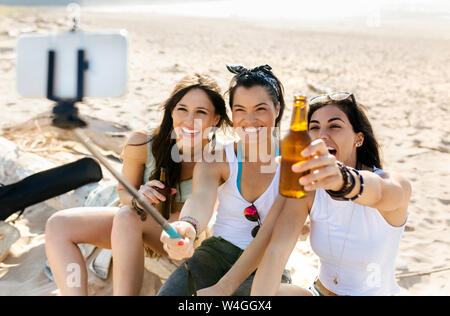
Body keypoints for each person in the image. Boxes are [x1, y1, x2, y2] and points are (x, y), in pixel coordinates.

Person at [197, 92, 411, 296]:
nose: (321, 136)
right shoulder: (308, 188)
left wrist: (342, 179)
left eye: (334, 126)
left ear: (358, 138)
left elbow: (380, 192)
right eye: (314, 128)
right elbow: (276, 251)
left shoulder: (393, 184)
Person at [44, 73, 231, 296]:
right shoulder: (143, 142)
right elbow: (123, 192)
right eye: (182, 109)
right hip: (133, 227)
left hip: (184, 236)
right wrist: (137, 197)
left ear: (216, 119)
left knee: (126, 216)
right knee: (59, 225)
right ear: (171, 111)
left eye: (201, 112)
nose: (189, 120)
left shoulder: (219, 158)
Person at [157, 64, 292, 296]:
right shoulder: (217, 160)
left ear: (277, 108)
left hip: (269, 264)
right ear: (231, 113)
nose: (249, 120)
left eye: (260, 109)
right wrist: (187, 225)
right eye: (240, 109)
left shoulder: (293, 161)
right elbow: (201, 199)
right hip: (214, 256)